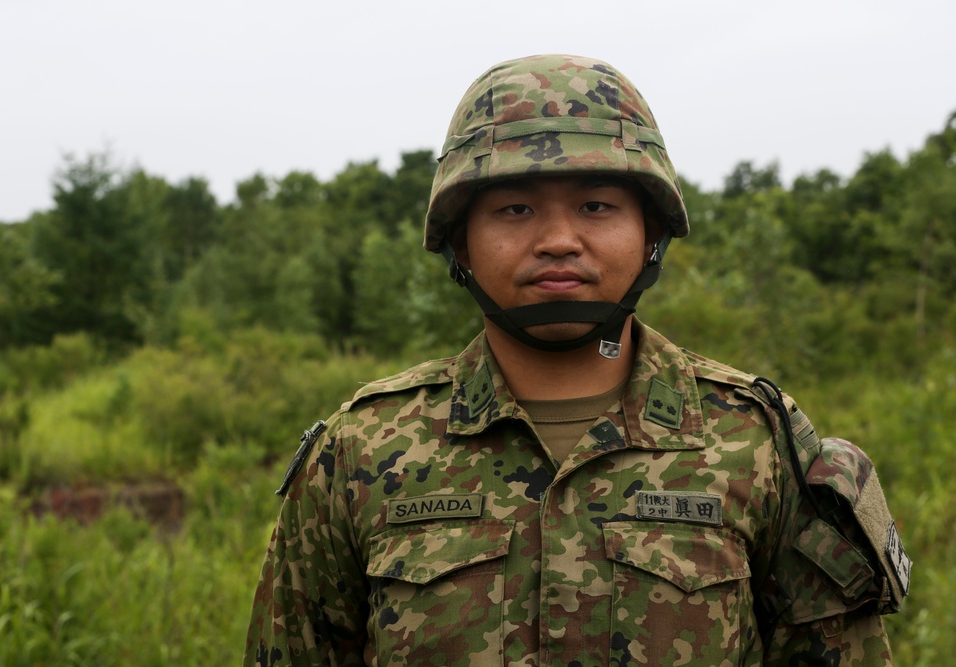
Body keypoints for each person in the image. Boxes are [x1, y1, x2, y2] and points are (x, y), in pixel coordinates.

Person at [243, 54, 911, 666]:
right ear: (461, 242)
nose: (559, 240)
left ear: (650, 232)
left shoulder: (755, 439)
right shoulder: (360, 449)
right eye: (514, 208)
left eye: (596, 205)